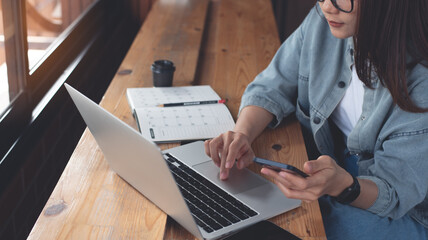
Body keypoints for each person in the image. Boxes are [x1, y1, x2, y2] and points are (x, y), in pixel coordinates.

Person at [204, 0, 428, 239]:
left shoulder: (420, 81)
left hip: (402, 208)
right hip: (332, 170)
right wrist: (242, 134)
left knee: (299, 225)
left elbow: (393, 194)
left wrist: (342, 185)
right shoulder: (325, 22)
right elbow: (272, 85)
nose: (327, 7)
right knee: (248, 206)